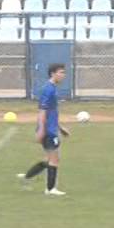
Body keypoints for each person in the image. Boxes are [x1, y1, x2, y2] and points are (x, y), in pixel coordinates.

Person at [17, 63, 69, 196]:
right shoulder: (49, 90)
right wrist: (41, 130)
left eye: (64, 72)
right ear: (53, 73)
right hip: (48, 131)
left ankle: (27, 177)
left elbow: (52, 112)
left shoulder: (52, 88)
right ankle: (50, 189)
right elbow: (42, 111)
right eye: (61, 72)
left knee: (50, 159)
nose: (63, 75)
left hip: (51, 129)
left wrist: (60, 127)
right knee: (54, 160)